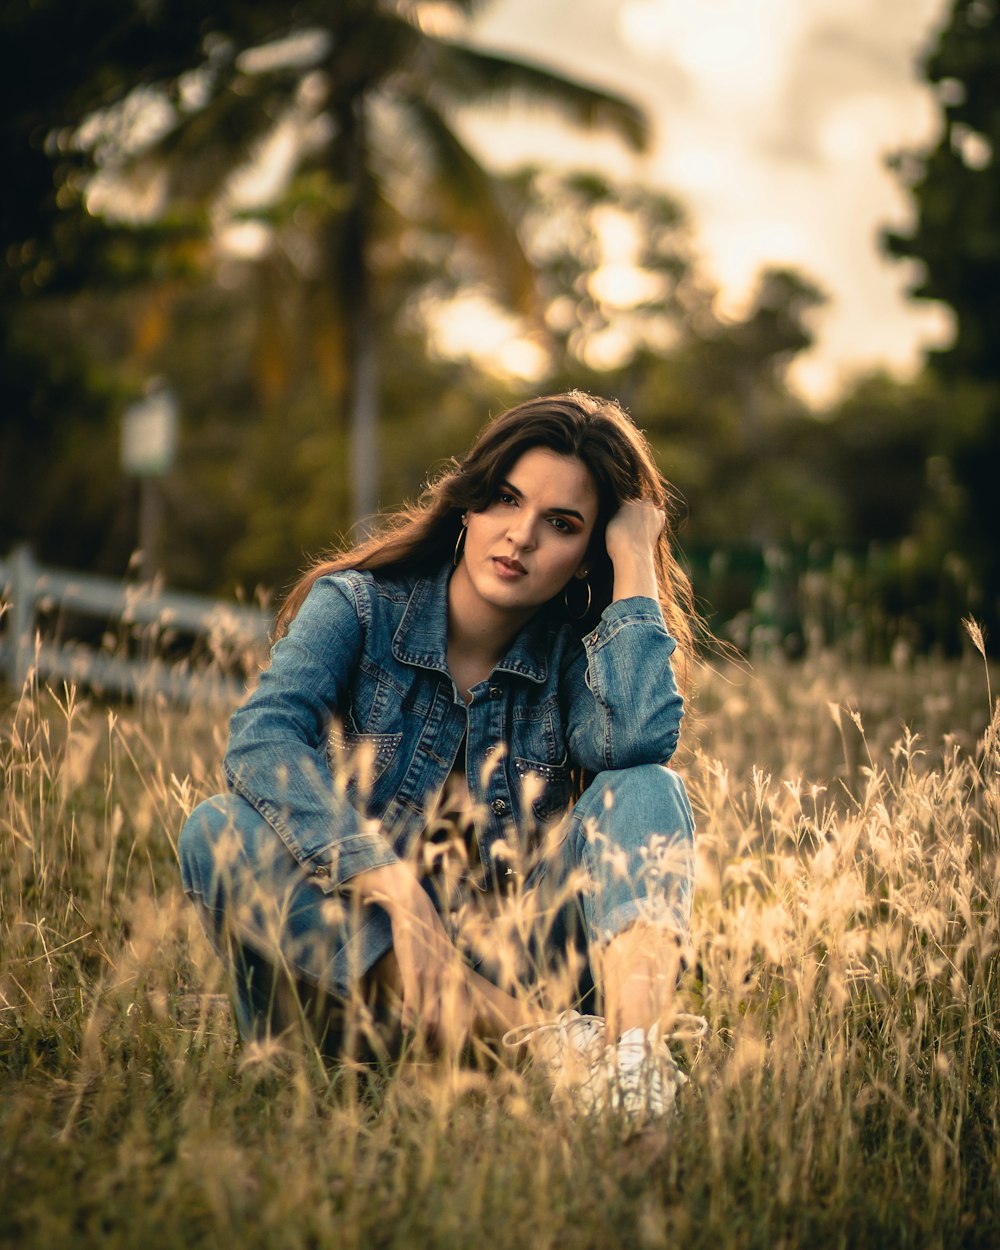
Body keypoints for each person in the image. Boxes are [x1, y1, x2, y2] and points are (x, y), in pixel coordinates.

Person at [178, 390, 705, 1122]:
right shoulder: (358, 608)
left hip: (518, 962)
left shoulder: (573, 657)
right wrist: (392, 886)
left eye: (562, 524)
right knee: (216, 830)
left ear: (587, 556)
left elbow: (640, 740)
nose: (520, 536)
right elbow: (262, 741)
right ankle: (544, 1050)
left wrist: (635, 557)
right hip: (361, 987)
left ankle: (635, 1070)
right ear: (468, 505)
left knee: (647, 786)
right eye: (505, 500)